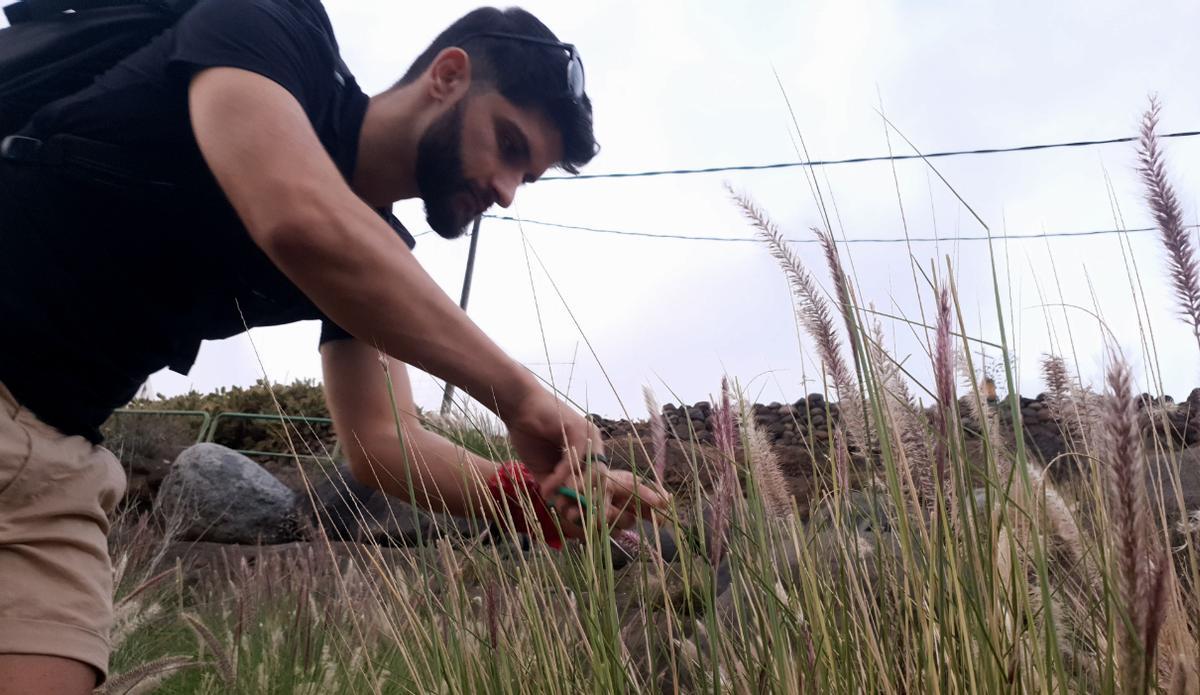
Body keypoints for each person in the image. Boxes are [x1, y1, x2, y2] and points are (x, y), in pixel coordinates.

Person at [0, 2, 667, 691]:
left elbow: (384, 441)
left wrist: (531, 498)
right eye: (509, 144)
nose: (504, 192)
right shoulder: (273, 28)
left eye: (524, 179)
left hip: (53, 455)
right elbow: (296, 213)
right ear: (447, 75)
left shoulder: (375, 255)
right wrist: (519, 395)